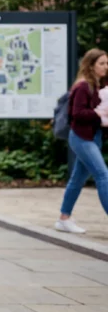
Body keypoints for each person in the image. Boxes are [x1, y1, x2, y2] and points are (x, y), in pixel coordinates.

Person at [55, 48, 108, 233]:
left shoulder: (98, 85)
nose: (105, 67)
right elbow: (76, 114)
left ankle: (64, 218)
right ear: (91, 66)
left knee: (77, 179)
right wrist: (98, 113)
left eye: (107, 63)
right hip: (81, 137)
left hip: (93, 137)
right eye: (101, 63)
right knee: (103, 175)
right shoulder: (83, 86)